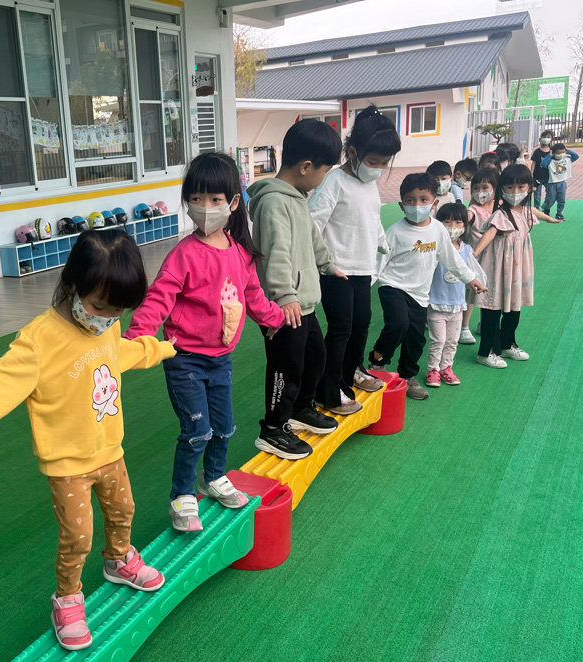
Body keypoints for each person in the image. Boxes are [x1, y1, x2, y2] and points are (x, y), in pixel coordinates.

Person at [0, 229, 175, 651]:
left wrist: (158, 349)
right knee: (78, 536)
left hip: (109, 449)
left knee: (123, 510)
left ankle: (119, 560)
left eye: (118, 312)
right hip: (67, 463)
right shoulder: (40, 340)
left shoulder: (106, 327)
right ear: (73, 285)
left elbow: (120, 354)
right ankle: (67, 598)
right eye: (100, 307)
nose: (107, 319)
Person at [125, 152, 286, 533]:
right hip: (185, 359)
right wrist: (135, 337)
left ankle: (213, 477)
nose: (205, 207)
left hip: (221, 360)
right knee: (197, 431)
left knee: (225, 427)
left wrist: (274, 318)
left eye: (215, 199)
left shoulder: (240, 253)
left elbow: (252, 294)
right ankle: (181, 494)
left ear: (233, 203)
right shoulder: (184, 255)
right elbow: (159, 298)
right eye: (196, 199)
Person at [247, 119, 345, 460]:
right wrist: (284, 295)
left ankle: (302, 409)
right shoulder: (274, 202)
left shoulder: (297, 197)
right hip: (284, 307)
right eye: (325, 171)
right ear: (305, 167)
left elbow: (312, 238)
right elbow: (275, 253)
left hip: (303, 304)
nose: (324, 178)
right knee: (284, 369)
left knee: (315, 357)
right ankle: (273, 429)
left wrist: (327, 265)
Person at [308, 105, 401, 415]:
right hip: (335, 270)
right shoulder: (334, 181)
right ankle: (328, 390)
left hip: (363, 269)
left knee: (361, 326)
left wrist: (383, 243)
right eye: (373, 162)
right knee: (341, 330)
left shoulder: (369, 184)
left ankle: (349, 376)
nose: (379, 169)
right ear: (352, 152)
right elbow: (313, 222)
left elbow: (372, 219)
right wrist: (321, 262)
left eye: (385, 163)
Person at [365, 173, 486, 401]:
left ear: (434, 203)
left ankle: (407, 377)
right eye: (410, 200)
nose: (417, 205)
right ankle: (377, 360)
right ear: (401, 205)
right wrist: (365, 286)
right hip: (393, 285)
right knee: (398, 324)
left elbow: (451, 258)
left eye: (423, 200)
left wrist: (470, 278)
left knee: (416, 338)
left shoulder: (438, 229)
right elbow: (378, 262)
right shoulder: (395, 232)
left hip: (420, 293)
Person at [471, 164, 562, 368]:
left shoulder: (525, 211)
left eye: (521, 187)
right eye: (510, 187)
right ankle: (486, 352)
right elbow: (490, 233)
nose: (515, 192)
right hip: (498, 268)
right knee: (493, 308)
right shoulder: (501, 214)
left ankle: (506, 345)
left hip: (517, 268)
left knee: (514, 307)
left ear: (529, 188)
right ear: (502, 189)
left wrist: (550, 219)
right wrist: (475, 253)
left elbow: (535, 212)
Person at [425, 203, 486, 387]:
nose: (453, 227)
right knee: (438, 340)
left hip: (457, 304)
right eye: (447, 222)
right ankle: (433, 370)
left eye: (458, 222)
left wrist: (481, 284)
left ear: (465, 226)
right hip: (436, 303)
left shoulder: (466, 249)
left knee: (452, 340)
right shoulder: (434, 248)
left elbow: (474, 271)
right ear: (438, 223)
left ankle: (446, 368)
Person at [459, 167, 499, 345]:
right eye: (476, 188)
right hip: (474, 259)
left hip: (493, 257)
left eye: (485, 188)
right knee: (471, 292)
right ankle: (464, 327)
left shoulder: (499, 208)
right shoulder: (473, 210)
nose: (480, 192)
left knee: (488, 290)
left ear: (495, 189)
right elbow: (462, 222)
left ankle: (483, 323)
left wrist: (547, 218)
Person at [541, 142, 579, 221]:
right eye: (558, 153)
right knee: (550, 200)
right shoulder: (551, 161)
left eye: (562, 152)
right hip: (552, 183)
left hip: (562, 183)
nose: (560, 154)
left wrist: (567, 151)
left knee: (561, 200)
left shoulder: (566, 160)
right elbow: (543, 164)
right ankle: (546, 208)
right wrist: (549, 155)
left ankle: (559, 213)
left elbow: (576, 156)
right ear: (554, 153)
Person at [529, 129, 554, 209]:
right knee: (537, 194)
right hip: (537, 176)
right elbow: (534, 163)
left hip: (549, 177)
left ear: (551, 139)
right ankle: (537, 208)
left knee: (550, 193)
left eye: (548, 137)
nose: (546, 139)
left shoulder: (552, 152)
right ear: (541, 138)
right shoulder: (537, 151)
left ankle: (546, 207)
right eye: (544, 137)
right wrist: (531, 174)